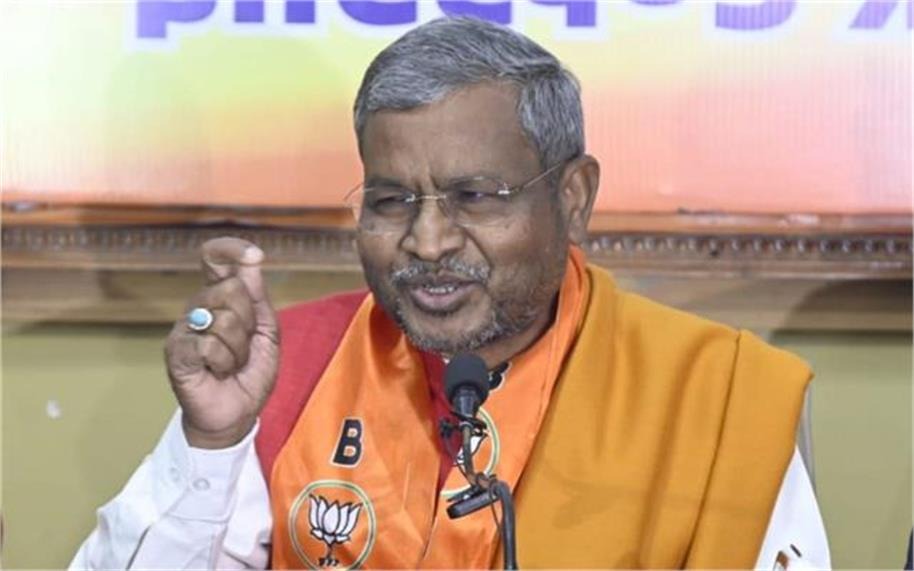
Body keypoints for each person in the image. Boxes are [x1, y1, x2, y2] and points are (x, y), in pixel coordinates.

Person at [71, 17, 830, 570]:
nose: (428, 241)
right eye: (392, 200)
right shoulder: (289, 369)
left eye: (476, 196)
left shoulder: (712, 396)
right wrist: (212, 443)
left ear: (572, 197)